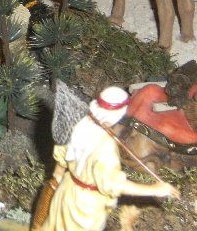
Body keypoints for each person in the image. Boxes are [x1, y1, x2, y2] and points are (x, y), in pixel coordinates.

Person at [39, 86, 179, 231]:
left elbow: (63, 156)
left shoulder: (82, 124)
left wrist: (58, 175)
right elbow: (113, 184)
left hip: (66, 192)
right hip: (86, 207)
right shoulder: (105, 146)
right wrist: (154, 189)